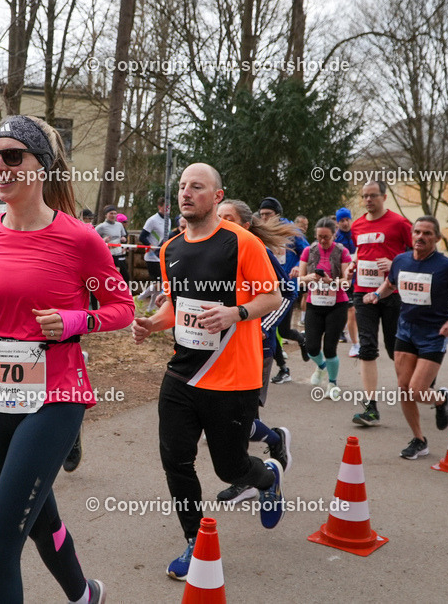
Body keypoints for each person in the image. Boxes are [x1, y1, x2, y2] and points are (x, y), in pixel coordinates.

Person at [0, 115, 130, 603]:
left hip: (55, 398)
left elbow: (122, 309)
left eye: (11, 156)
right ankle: (86, 595)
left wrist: (74, 322)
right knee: (41, 518)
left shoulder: (79, 238)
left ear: (40, 166)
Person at [132, 163, 286, 582]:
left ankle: (267, 477)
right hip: (182, 375)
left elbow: (272, 297)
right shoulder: (171, 249)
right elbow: (174, 306)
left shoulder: (243, 243)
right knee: (176, 461)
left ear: (217, 196)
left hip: (233, 378)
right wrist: (152, 323)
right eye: (182, 186)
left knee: (230, 469)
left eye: (196, 187)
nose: (186, 193)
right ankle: (194, 542)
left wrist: (235, 312)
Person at [364, 216, 448, 460]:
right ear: (411, 235)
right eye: (417, 232)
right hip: (405, 330)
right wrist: (376, 295)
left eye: (426, 233)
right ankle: (419, 440)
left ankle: (440, 400)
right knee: (404, 389)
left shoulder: (446, 266)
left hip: (434, 334)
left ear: (436, 238)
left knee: (417, 389)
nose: (420, 237)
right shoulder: (401, 260)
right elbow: (390, 284)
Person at [214, 199, 293, 504]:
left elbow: (285, 292)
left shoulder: (254, 249)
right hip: (222, 349)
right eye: (218, 217)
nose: (221, 223)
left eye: (229, 218)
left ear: (245, 225)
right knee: (230, 421)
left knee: (239, 421)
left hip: (257, 348)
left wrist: (262, 325)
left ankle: (270, 446)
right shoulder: (216, 250)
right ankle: (256, 464)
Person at [349, 180, 412, 427]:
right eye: (364, 196)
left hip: (391, 293)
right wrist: (354, 264)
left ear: (384, 197)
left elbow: (419, 253)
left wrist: (396, 262)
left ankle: (415, 387)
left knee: (394, 346)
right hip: (363, 292)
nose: (368, 200)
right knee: (367, 347)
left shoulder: (399, 223)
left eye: (373, 195)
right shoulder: (357, 225)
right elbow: (362, 252)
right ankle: (371, 406)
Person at [297, 217, 353, 401]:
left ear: (334, 235)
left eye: (327, 237)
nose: (323, 241)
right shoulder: (308, 251)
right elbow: (300, 278)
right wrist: (310, 277)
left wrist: (332, 282)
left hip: (337, 304)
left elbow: (346, 282)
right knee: (311, 346)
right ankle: (321, 366)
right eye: (320, 237)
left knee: (330, 347)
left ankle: (332, 383)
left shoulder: (342, 252)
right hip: (315, 303)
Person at [257, 197, 307, 383]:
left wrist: (299, 267)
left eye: (268, 214)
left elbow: (307, 252)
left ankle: (301, 341)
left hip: (287, 288)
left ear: (277, 214)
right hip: (268, 287)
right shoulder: (262, 230)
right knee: (270, 329)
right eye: (261, 214)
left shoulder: (291, 232)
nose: (264, 218)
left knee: (280, 330)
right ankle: (283, 368)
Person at [335, 208, 361, 357]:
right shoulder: (337, 239)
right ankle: (355, 344)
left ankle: (356, 337)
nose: (345, 223)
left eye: (347, 220)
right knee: (350, 310)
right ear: (338, 223)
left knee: (357, 312)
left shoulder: (357, 235)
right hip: (345, 280)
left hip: (361, 278)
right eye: (341, 221)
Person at [137, 196, 169, 312]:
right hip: (152, 257)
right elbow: (142, 237)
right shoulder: (152, 220)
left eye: (169, 207)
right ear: (159, 207)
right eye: (166, 206)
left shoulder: (168, 220)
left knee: (159, 285)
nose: (168, 209)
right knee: (158, 284)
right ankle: (139, 297)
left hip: (162, 256)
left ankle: (150, 309)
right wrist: (151, 247)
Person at [96, 205, 130, 284]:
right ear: (106, 215)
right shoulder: (101, 227)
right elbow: (93, 240)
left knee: (123, 277)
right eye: (111, 213)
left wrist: (123, 238)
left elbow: (124, 236)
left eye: (115, 213)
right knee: (111, 277)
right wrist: (103, 240)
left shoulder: (119, 225)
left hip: (118, 254)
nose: (113, 215)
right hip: (107, 255)